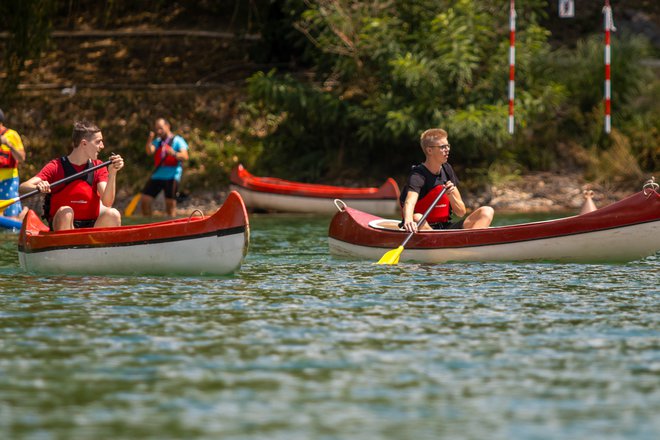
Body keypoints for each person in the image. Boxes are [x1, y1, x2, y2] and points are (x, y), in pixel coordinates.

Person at [19, 120, 124, 231]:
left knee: (113, 214)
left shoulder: (99, 166)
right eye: (98, 142)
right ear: (84, 143)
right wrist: (38, 187)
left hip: (90, 227)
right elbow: (23, 187)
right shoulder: (56, 166)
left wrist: (112, 173)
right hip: (63, 224)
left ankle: (100, 247)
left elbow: (107, 202)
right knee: (66, 212)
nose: (102, 146)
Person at [400, 128, 494, 233]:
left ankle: (471, 243)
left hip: (445, 227)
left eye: (448, 146)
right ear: (429, 150)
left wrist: (451, 195)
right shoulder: (417, 175)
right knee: (417, 217)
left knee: (487, 211)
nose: (447, 149)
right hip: (421, 227)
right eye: (442, 147)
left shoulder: (447, 169)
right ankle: (441, 244)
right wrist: (408, 220)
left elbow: (461, 212)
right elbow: (409, 202)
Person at [141, 117, 189, 217]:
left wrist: (174, 153)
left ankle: (172, 226)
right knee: (145, 200)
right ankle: (148, 225)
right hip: (158, 175)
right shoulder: (158, 141)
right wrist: (149, 140)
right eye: (157, 129)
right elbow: (149, 151)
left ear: (167, 126)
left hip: (172, 175)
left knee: (170, 204)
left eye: (161, 128)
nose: (158, 131)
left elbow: (185, 156)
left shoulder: (178, 140)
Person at [0, 108, 27, 219]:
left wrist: (8, 144)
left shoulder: (12, 135)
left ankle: (23, 214)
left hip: (9, 181)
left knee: (11, 215)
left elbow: (21, 158)